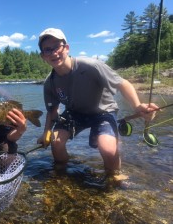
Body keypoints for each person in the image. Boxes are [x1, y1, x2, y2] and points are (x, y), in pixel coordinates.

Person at [36, 28, 159, 176]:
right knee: (56, 142)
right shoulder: (50, 82)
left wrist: (138, 106)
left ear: (66, 48)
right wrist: (46, 132)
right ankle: (61, 173)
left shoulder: (90, 66)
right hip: (75, 114)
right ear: (43, 56)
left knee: (107, 149)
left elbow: (122, 83)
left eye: (57, 46)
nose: (53, 53)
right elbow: (52, 111)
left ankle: (114, 177)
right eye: (47, 50)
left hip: (103, 112)